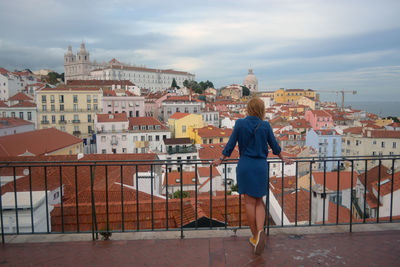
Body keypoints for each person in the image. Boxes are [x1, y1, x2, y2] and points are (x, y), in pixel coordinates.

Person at [212, 97, 293, 256]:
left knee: (249, 202)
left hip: (245, 165)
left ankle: (255, 236)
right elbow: (275, 146)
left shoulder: (240, 124)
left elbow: (231, 144)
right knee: (259, 201)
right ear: (262, 110)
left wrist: (220, 159)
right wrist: (283, 158)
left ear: (248, 109)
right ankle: (261, 230)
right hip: (260, 166)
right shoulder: (265, 125)